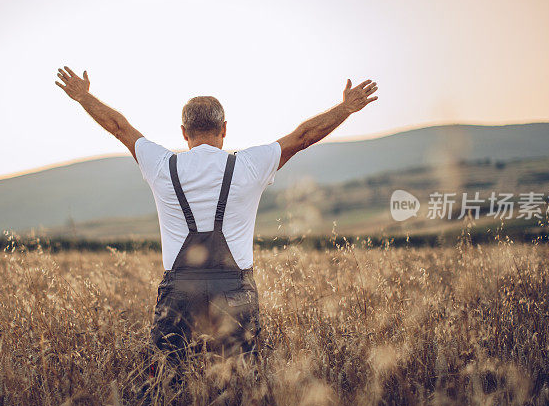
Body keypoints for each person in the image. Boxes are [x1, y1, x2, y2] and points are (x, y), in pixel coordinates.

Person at [55, 66, 378, 368]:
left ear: (184, 132)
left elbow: (118, 127)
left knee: (170, 378)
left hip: (178, 290)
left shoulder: (160, 164)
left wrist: (84, 97)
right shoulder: (251, 164)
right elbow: (304, 136)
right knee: (241, 377)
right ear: (224, 129)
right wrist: (346, 108)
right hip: (235, 288)